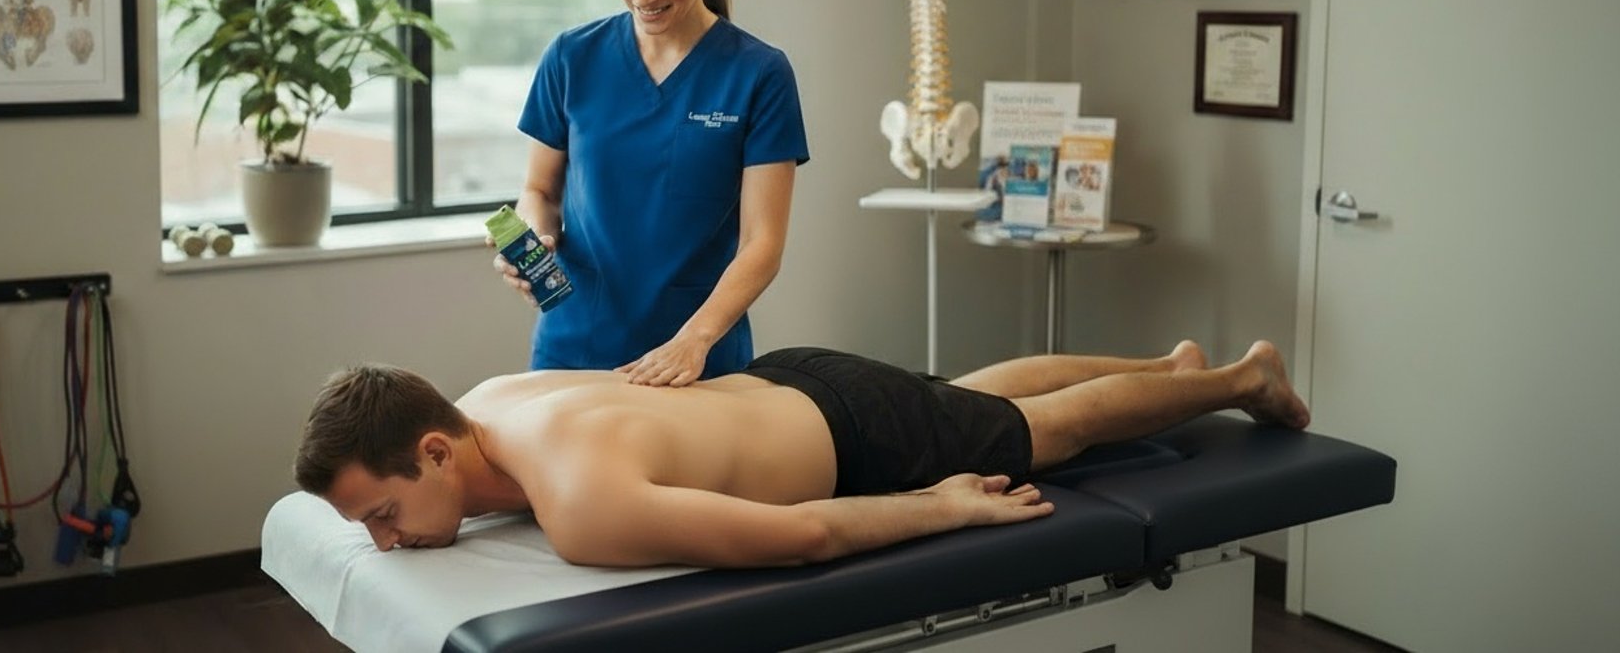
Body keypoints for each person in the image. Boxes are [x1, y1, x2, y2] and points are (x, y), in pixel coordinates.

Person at [293, 339, 1311, 568]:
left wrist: (945, 506)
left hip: (852, 440)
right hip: (790, 378)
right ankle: (1169, 365)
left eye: (382, 514)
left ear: (434, 450)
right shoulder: (490, 400)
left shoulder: (578, 504)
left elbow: (804, 536)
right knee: (974, 395)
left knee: (1048, 431)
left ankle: (1239, 379)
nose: (385, 541)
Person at [492, 0, 808, 386]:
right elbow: (539, 190)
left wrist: (695, 340)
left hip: (697, 360)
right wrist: (533, 238)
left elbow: (762, 243)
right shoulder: (571, 57)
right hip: (574, 346)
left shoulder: (759, 74)